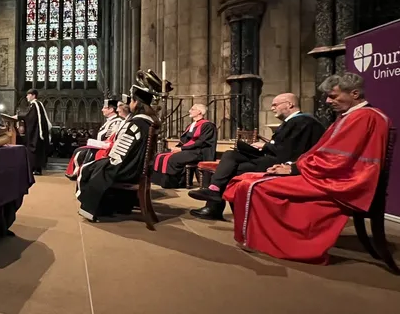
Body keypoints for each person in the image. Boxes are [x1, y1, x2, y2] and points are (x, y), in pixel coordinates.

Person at [224, 73, 390, 265]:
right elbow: (321, 152)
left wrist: (294, 169)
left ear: (354, 94)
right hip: (331, 175)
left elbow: (336, 160)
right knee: (246, 180)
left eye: (334, 96)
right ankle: (264, 237)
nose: (328, 101)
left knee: (251, 184)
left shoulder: (363, 117)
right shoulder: (353, 116)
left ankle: (281, 242)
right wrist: (292, 166)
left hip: (343, 182)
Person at [188, 93, 325, 219]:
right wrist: (264, 146)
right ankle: (214, 194)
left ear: (289, 104)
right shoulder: (292, 122)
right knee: (230, 155)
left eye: (275, 104)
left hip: (284, 163)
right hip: (273, 157)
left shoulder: (303, 122)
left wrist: (265, 146)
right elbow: (281, 145)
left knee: (230, 169)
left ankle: (215, 204)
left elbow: (289, 151)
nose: (272, 108)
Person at [76, 83, 159, 222]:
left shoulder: (136, 123)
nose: (130, 104)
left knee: (92, 168)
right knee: (96, 165)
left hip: (129, 169)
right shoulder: (149, 122)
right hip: (136, 166)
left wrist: (110, 161)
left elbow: (120, 154)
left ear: (137, 103)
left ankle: (95, 209)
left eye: (132, 100)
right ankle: (113, 206)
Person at [151, 104, 216, 188]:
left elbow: (201, 142)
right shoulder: (191, 125)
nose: (189, 111)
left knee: (172, 159)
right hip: (189, 150)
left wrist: (181, 149)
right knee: (160, 155)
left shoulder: (208, 125)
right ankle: (160, 181)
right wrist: (177, 147)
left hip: (198, 152)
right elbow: (185, 140)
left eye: (192, 109)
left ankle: (176, 183)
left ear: (199, 112)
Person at [65, 99, 125, 180]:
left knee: (82, 152)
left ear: (111, 110)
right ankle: (79, 172)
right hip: (101, 145)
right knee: (78, 150)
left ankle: (83, 173)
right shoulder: (110, 121)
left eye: (104, 108)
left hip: (107, 148)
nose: (102, 109)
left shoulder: (116, 122)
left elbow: (110, 138)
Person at [17, 89, 53, 175]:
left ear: (33, 95)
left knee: (34, 149)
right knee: (36, 150)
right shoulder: (35, 105)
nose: (26, 97)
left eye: (28, 95)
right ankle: (36, 169)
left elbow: (30, 117)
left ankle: (35, 169)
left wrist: (18, 116)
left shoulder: (35, 104)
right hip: (36, 131)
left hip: (36, 133)